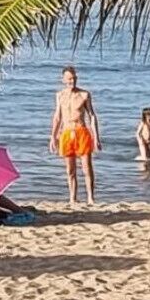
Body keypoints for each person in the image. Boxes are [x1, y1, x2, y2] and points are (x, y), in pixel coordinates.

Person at [51, 66, 100, 206]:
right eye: (69, 78)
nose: (72, 81)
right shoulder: (60, 95)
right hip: (66, 133)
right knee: (70, 169)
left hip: (81, 131)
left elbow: (92, 115)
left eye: (74, 78)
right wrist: (53, 137)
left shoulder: (84, 95)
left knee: (87, 167)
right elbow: (57, 117)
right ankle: (73, 197)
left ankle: (90, 197)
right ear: (64, 80)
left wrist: (96, 137)